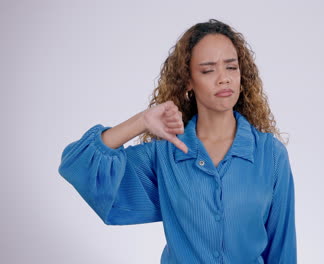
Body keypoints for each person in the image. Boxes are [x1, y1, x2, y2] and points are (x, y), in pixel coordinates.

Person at [58, 18, 297, 263]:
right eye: (208, 70)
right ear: (188, 81)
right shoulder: (165, 154)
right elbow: (77, 164)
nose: (223, 78)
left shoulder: (271, 154)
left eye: (231, 67)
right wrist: (140, 121)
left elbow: (282, 249)